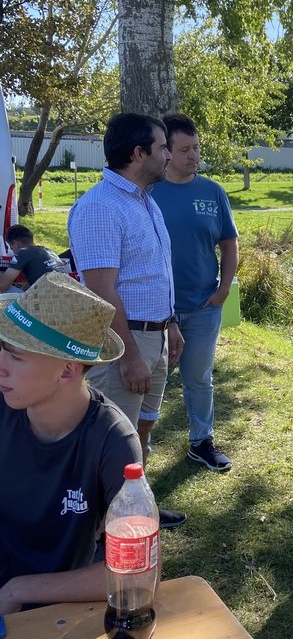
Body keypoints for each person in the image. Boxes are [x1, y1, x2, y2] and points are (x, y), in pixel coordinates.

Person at [68, 112, 186, 529]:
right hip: (125, 341)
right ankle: (102, 532)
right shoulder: (100, 207)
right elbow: (103, 291)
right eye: (162, 147)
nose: (169, 156)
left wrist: (171, 324)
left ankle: (136, 509)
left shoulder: (144, 201)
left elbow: (154, 273)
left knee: (141, 431)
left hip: (154, 335)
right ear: (138, 154)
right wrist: (130, 357)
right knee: (112, 439)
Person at [0, 271, 143, 613]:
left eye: (16, 356)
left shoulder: (113, 440)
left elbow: (135, 570)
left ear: (67, 371)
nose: (1, 366)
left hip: (55, 614)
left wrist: (16, 590)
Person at [151, 114, 238, 469]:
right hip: (157, 309)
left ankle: (201, 441)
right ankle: (137, 447)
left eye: (196, 148)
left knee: (199, 379)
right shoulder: (150, 191)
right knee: (152, 380)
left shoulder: (213, 192)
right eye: (185, 149)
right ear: (167, 152)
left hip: (204, 306)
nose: (194, 155)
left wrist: (223, 289)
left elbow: (229, 244)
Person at [0, 224, 65, 292]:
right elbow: (35, 280)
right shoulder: (48, 251)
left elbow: (3, 286)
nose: (12, 251)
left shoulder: (23, 252)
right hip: (64, 292)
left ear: (15, 244)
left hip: (46, 295)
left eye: (11, 248)